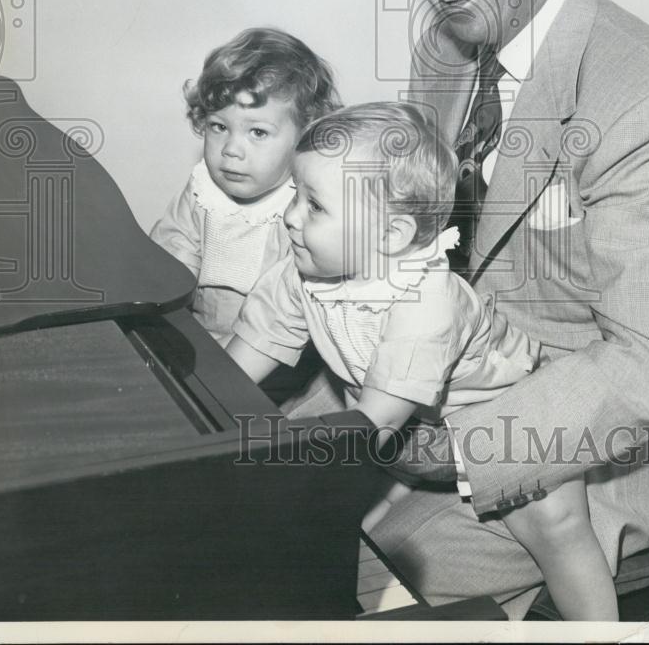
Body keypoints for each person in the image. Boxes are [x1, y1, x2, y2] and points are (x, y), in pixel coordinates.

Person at [360, 0, 649, 618]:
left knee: (318, 567)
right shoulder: (446, 45)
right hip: (445, 380)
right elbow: (434, 238)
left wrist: (449, 446)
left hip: (582, 452)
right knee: (237, 489)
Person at [226, 102, 619, 620]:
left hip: (511, 410)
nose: (291, 215)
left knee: (557, 527)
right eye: (296, 193)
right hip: (421, 424)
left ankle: (603, 632)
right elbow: (230, 371)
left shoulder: (426, 299)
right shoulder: (302, 272)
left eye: (315, 206)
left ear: (391, 237)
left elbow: (373, 426)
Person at [150, 27, 340, 345]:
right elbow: (172, 251)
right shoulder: (202, 190)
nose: (231, 149)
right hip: (197, 328)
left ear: (304, 136)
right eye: (219, 127)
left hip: (268, 347)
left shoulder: (299, 211)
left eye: (258, 133)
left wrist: (232, 353)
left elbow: (285, 310)